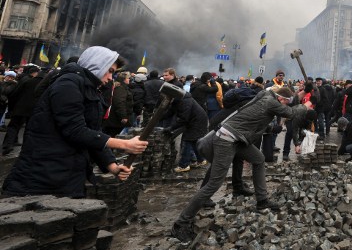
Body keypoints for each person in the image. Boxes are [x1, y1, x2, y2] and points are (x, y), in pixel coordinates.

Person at [171, 85, 312, 242]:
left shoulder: (266, 96)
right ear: (280, 99)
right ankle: (181, 223)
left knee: (259, 159)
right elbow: (291, 113)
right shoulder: (270, 101)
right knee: (214, 183)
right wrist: (304, 106)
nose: (284, 105)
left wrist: (299, 96)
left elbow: (262, 117)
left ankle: (262, 200)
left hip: (239, 138)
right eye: (285, 102)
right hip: (227, 139)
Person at [1, 47, 147, 197]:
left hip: (68, 172)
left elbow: (93, 133)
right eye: (109, 70)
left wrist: (112, 166)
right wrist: (125, 144)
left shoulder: (90, 88)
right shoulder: (68, 84)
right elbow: (75, 130)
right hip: (43, 173)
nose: (111, 77)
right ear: (97, 65)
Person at [167, 89, 209, 172]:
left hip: (197, 122)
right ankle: (201, 160)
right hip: (196, 121)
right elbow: (171, 112)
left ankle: (184, 165)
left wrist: (171, 128)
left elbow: (183, 118)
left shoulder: (185, 101)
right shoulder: (180, 99)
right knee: (193, 141)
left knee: (187, 141)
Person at [102, 71, 133, 137]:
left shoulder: (121, 87)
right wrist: (123, 116)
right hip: (116, 119)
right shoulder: (121, 88)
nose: (129, 79)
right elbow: (119, 102)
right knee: (115, 135)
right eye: (128, 78)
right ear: (124, 79)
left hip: (115, 118)